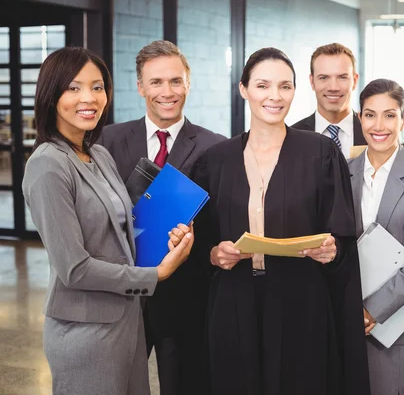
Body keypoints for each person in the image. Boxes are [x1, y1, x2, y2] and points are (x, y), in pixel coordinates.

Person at [191, 47, 370, 395]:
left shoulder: (320, 152)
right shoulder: (215, 161)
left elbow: (343, 236)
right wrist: (215, 254)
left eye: (285, 87)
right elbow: (200, 242)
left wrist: (332, 250)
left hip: (301, 302)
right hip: (234, 300)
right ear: (243, 89)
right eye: (262, 86)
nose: (274, 96)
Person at [21, 47, 194, 395]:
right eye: (73, 87)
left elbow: (123, 227)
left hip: (125, 323)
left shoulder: (97, 153)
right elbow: (74, 268)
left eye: (97, 87)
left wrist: (170, 237)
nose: (89, 98)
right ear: (50, 94)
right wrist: (156, 274)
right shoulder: (47, 165)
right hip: (85, 331)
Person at [98, 40, 225, 395]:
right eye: (156, 82)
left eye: (175, 81)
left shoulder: (216, 148)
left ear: (188, 83)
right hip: (123, 299)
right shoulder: (108, 140)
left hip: (186, 300)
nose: (166, 92)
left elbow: (220, 223)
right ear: (140, 86)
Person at [347, 78, 404, 395]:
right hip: (345, 317)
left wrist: (373, 308)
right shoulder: (342, 172)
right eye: (370, 115)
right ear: (359, 118)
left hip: (399, 322)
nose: (379, 125)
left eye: (390, 115)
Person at [292, 43, 365, 158]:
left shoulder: (373, 133)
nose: (333, 88)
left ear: (355, 81)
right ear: (312, 82)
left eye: (342, 77)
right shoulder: (292, 138)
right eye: (324, 78)